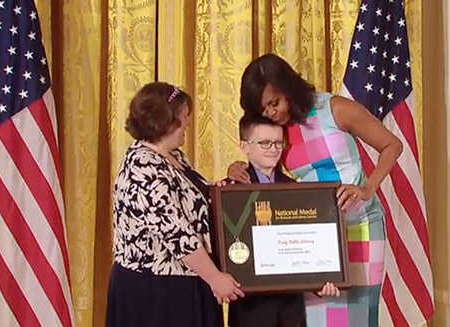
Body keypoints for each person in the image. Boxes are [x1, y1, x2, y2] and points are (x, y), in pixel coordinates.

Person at [228, 54, 403, 327]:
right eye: (264, 109)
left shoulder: (334, 108)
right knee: (319, 319)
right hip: (316, 238)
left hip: (362, 227)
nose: (272, 113)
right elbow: (266, 172)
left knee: (358, 318)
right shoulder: (277, 131)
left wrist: (367, 188)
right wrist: (237, 166)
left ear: (289, 88)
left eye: (275, 103)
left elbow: (392, 145)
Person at [107, 82, 244, 327]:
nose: (188, 123)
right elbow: (176, 233)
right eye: (183, 116)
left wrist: (230, 181)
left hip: (184, 283)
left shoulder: (173, 155)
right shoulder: (143, 166)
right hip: (155, 292)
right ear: (167, 120)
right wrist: (214, 278)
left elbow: (196, 200)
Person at [227, 113, 339, 327]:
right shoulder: (229, 193)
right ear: (245, 146)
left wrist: (322, 279)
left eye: (278, 143)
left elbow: (310, 243)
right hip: (250, 309)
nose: (273, 149)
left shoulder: (298, 191)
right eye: (265, 143)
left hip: (291, 308)